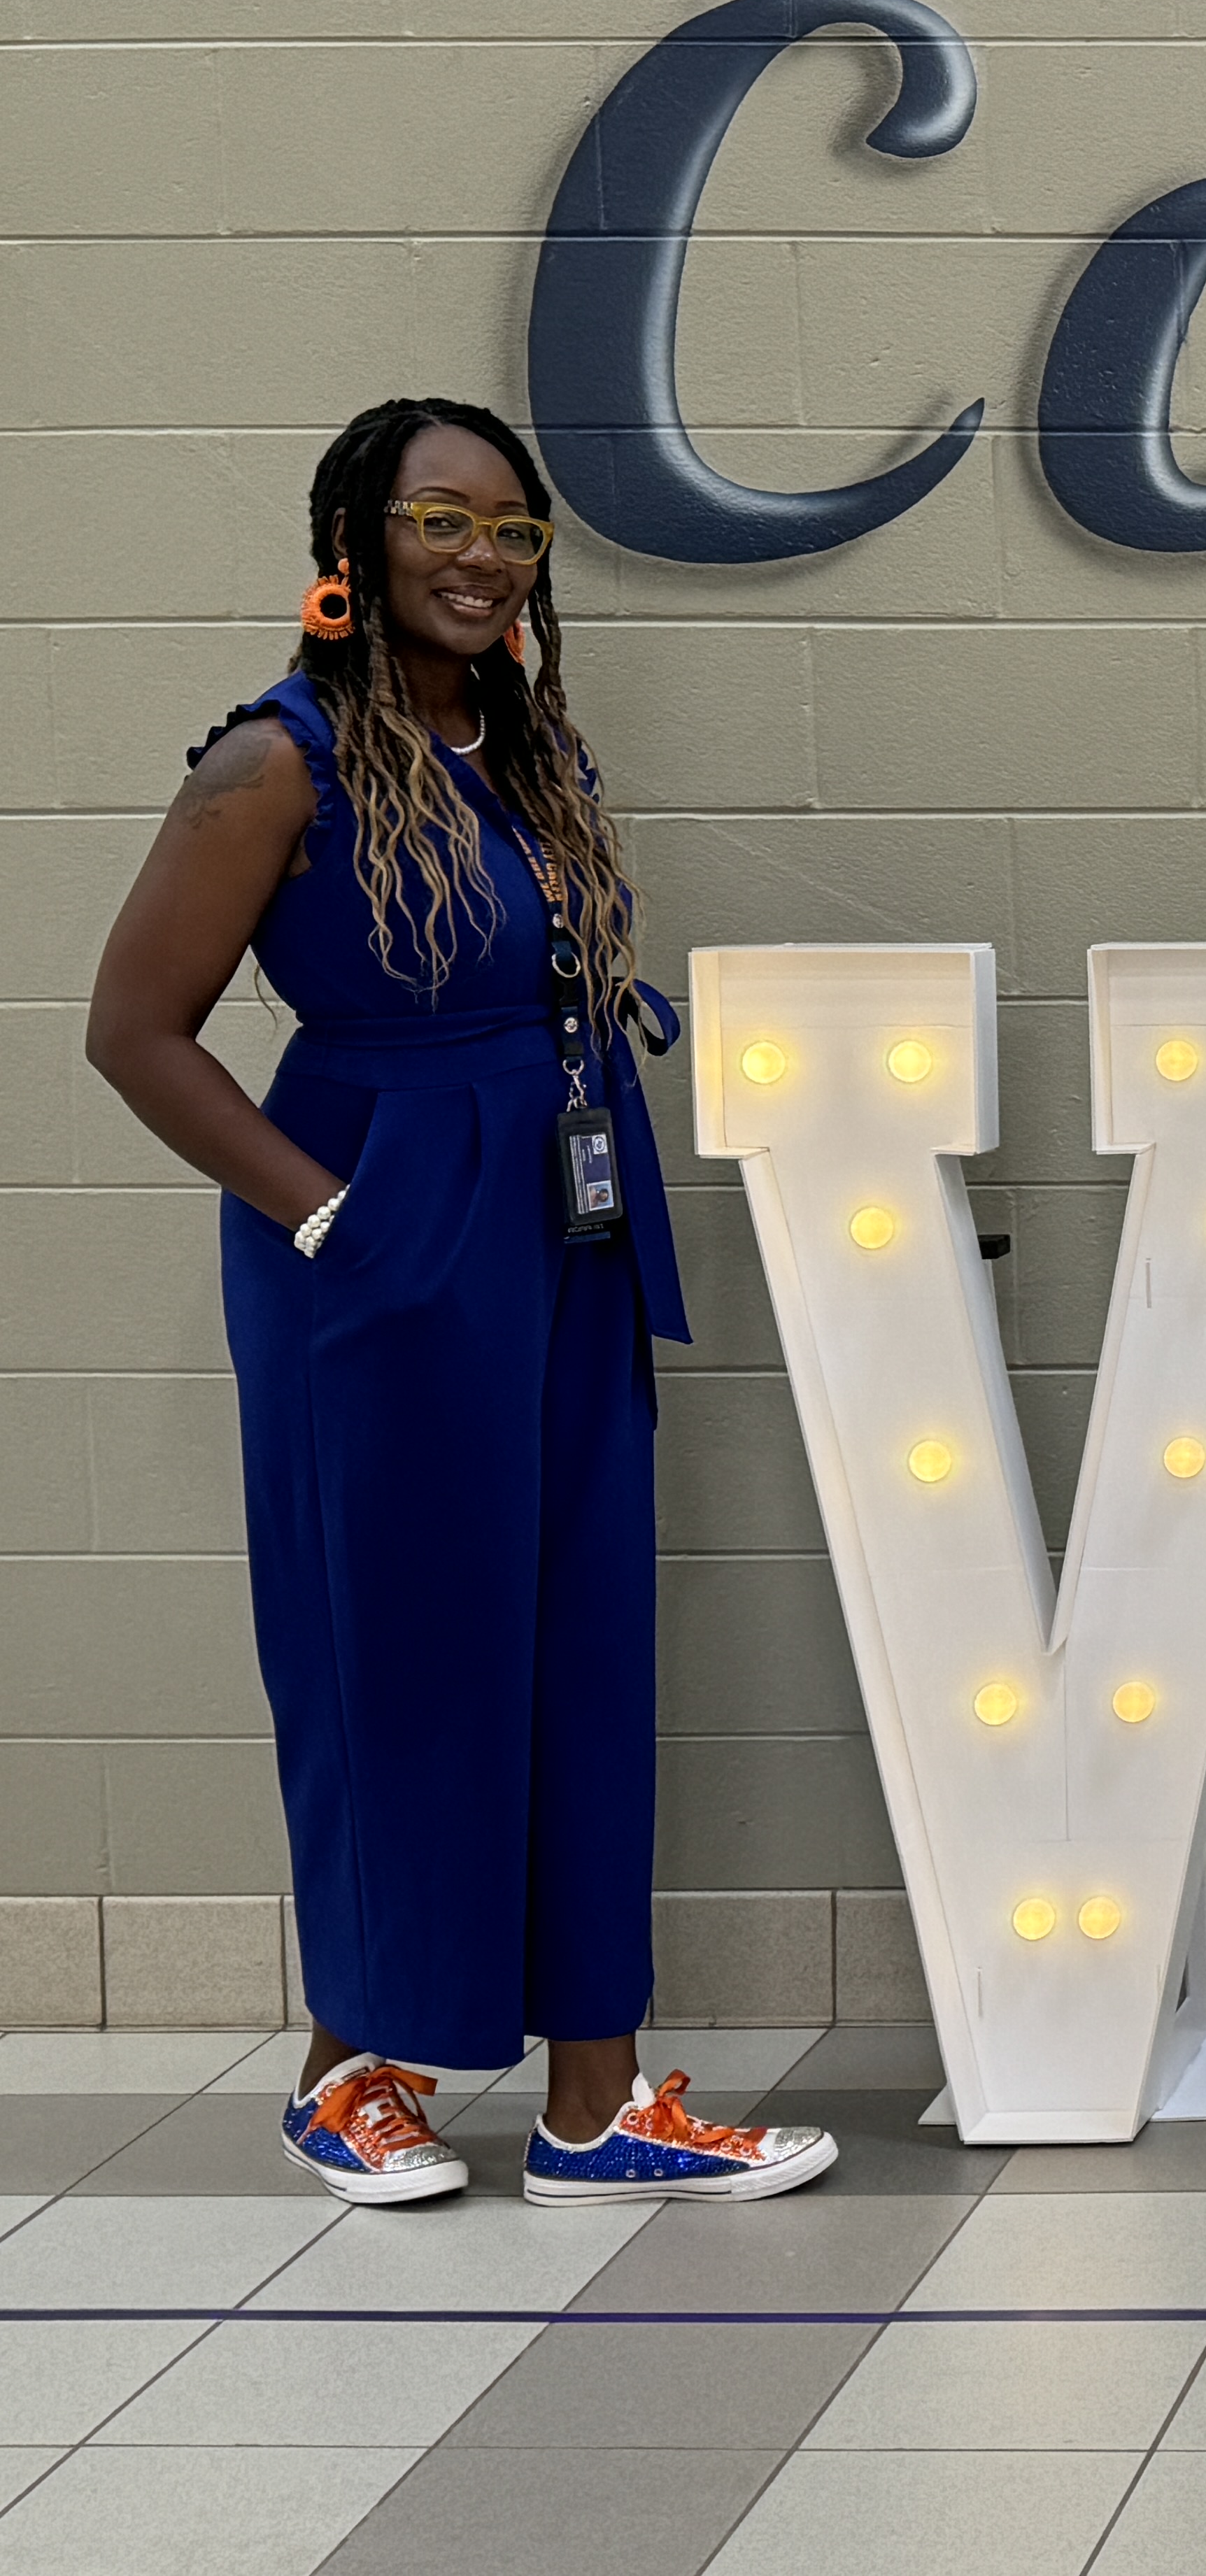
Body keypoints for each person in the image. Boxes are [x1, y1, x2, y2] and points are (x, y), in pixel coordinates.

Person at [85, 399, 835, 2208]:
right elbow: (132, 1032)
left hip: (563, 1224)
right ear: (356, 531)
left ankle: (596, 2101)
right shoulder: (275, 760)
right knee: (395, 1656)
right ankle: (353, 2070)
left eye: (515, 529)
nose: (484, 555)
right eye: (443, 516)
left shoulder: (518, 741)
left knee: (580, 1649)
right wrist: (335, 1217)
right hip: (389, 1238)